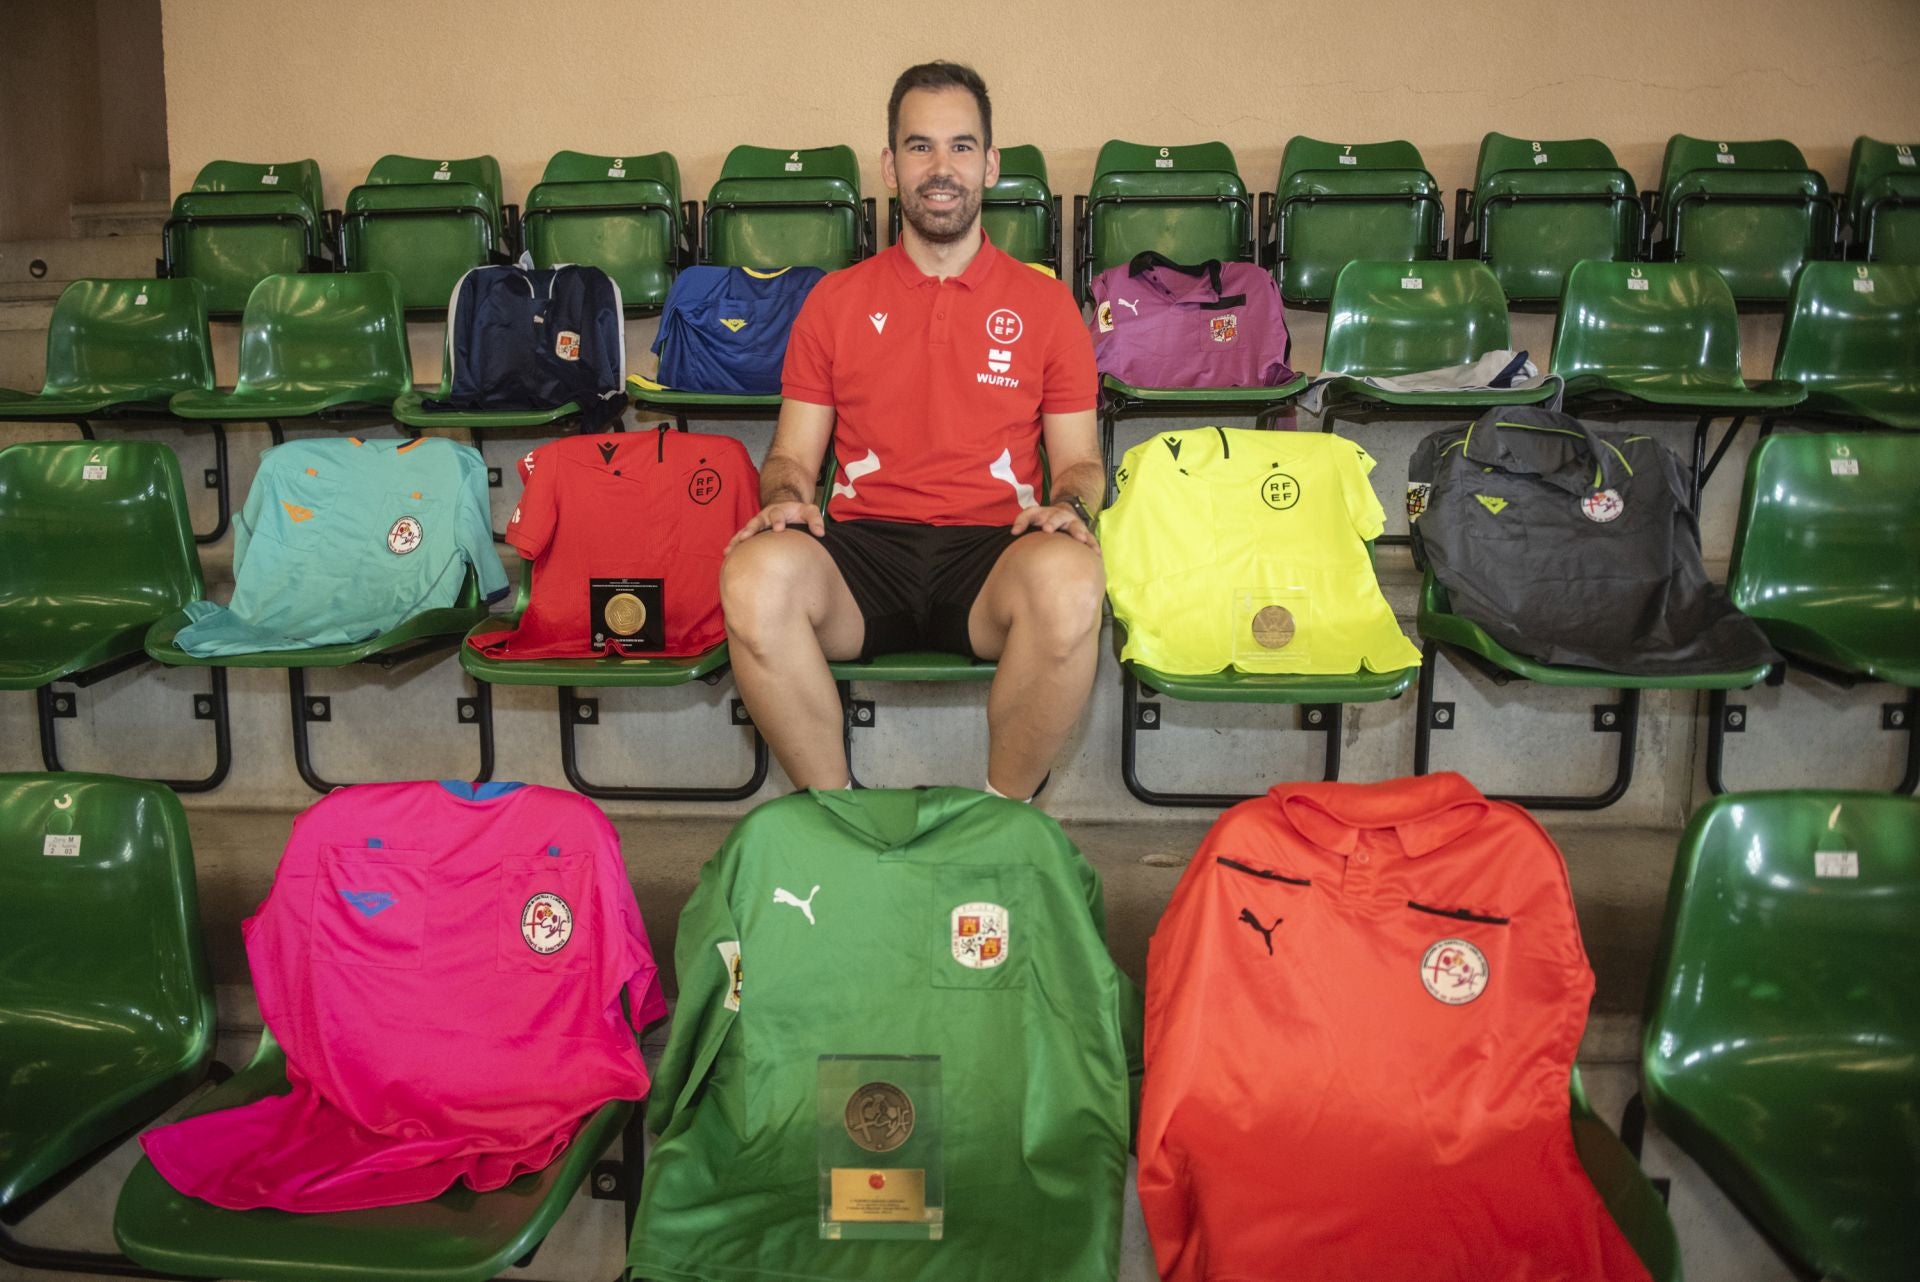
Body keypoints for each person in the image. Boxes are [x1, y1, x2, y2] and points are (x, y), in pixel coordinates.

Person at [720, 60, 1105, 800]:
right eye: (920, 146)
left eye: (962, 146)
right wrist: (784, 496)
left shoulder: (1047, 304)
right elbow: (792, 457)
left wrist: (1073, 508)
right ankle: (840, 826)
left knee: (1072, 580)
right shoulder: (834, 303)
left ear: (990, 164)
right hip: (864, 553)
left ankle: (1002, 820)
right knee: (754, 574)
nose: (942, 167)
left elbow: (1082, 462)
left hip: (996, 551)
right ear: (890, 166)